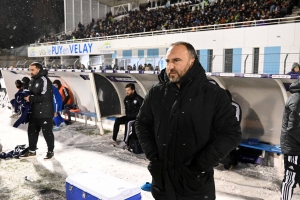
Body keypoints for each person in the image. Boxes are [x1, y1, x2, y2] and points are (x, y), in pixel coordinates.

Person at [135, 41, 242, 199]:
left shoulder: (214, 95)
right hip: (162, 184)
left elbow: (231, 134)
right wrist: (154, 157)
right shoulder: (156, 93)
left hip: (195, 187)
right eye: (168, 61)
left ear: (192, 62)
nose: (170, 66)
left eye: (176, 61)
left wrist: (199, 165)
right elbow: (142, 123)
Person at [20, 62, 55, 159]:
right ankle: (32, 151)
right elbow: (31, 93)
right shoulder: (32, 80)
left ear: (38, 70)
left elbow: (45, 97)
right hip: (34, 111)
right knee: (32, 131)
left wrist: (30, 98)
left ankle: (50, 151)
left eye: (32, 70)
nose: (30, 72)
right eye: (30, 69)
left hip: (45, 112)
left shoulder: (45, 80)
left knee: (47, 132)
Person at [280, 80, 300, 200]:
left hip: (296, 146)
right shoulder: (296, 100)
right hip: (293, 148)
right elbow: (293, 127)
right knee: (290, 178)